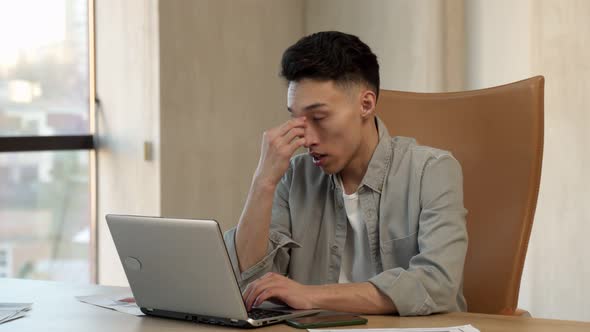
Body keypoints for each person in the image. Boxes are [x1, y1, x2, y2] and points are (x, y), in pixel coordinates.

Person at [223, 31, 468, 316]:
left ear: (366, 104)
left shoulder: (432, 171)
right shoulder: (293, 178)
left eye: (319, 117)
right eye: (296, 119)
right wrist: (262, 181)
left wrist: (311, 295)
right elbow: (250, 284)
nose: (307, 138)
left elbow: (437, 285)